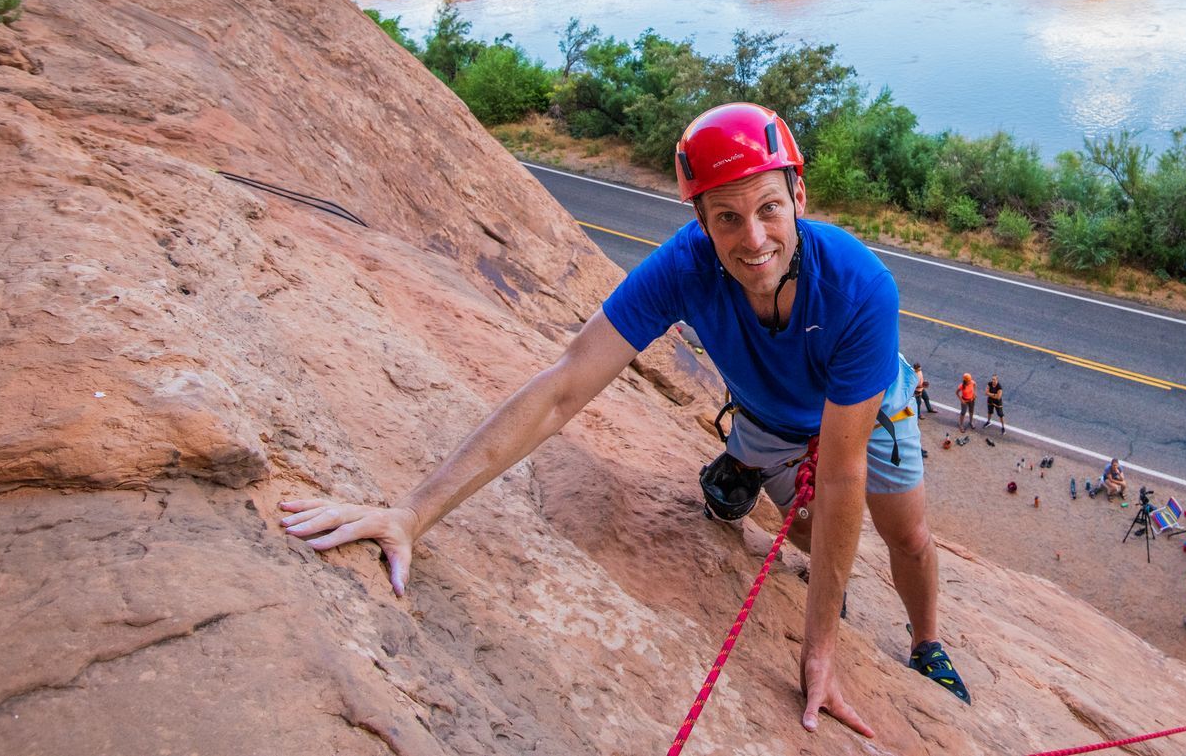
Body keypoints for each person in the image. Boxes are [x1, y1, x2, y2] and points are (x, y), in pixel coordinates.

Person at [276, 102, 968, 738]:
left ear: (799, 198)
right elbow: (563, 386)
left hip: (863, 409)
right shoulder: (684, 268)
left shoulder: (859, 286)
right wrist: (411, 512)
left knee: (904, 534)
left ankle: (925, 641)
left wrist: (821, 654)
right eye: (725, 217)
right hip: (771, 415)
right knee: (815, 536)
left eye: (767, 208)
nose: (751, 238)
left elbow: (845, 471)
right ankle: (751, 464)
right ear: (700, 221)